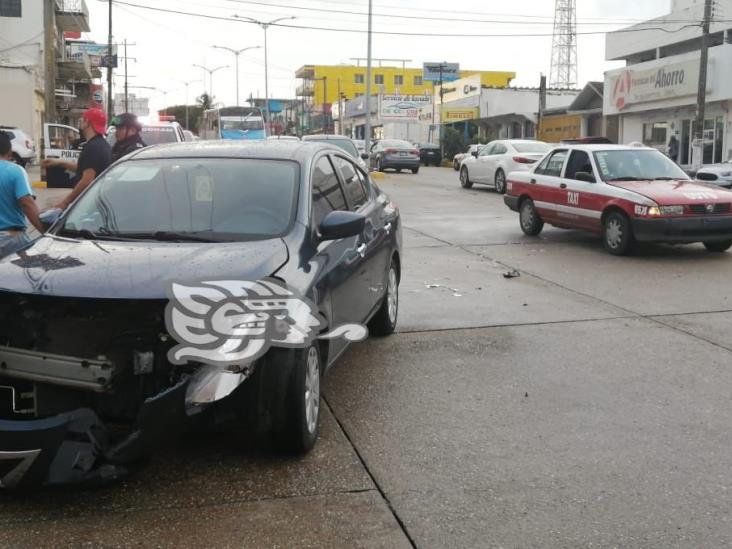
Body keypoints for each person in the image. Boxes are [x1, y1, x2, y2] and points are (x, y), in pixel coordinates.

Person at [41, 108, 111, 210]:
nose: (80, 123)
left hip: (91, 203)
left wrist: (65, 202)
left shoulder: (93, 147)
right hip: (97, 201)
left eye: (82, 120)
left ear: (87, 123)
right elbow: (86, 168)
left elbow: (86, 180)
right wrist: (59, 163)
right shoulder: (102, 145)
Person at [0, 132, 43, 257]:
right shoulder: (15, 171)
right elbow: (27, 204)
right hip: (11, 240)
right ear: (9, 152)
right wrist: (47, 233)